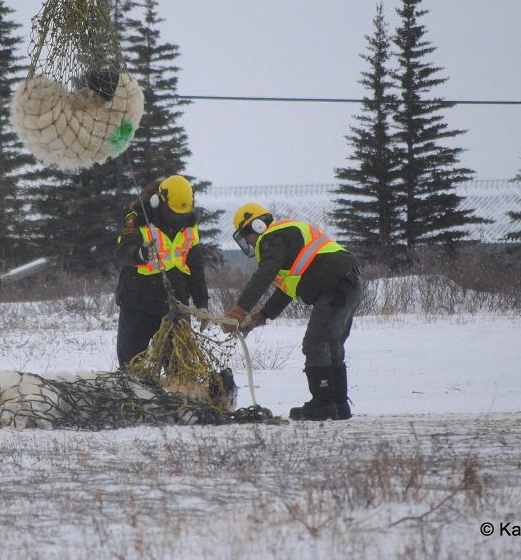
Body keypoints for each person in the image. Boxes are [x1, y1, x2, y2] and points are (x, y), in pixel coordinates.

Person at [223, 203, 362, 421]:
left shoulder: (273, 238)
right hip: (348, 283)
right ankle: (338, 404)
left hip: (336, 285)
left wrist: (239, 310)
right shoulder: (286, 239)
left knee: (316, 343)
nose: (248, 242)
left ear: (257, 226)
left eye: (246, 236)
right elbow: (287, 290)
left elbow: (264, 275)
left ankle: (323, 404)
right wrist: (261, 316)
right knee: (331, 344)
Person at [114, 175, 210, 368]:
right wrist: (140, 254)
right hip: (138, 303)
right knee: (131, 364)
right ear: (157, 201)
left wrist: (201, 303)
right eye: (173, 213)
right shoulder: (137, 220)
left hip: (175, 304)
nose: (178, 219)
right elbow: (123, 252)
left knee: (179, 366)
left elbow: (196, 268)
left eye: (182, 214)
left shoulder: (190, 228)